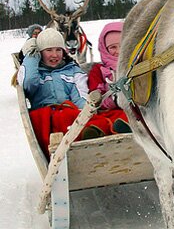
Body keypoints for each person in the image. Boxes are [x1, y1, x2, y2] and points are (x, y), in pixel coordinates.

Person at [17, 28, 128, 158]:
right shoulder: (36, 73)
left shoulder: (72, 70)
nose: (54, 55)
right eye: (48, 50)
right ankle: (91, 131)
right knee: (61, 117)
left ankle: (95, 130)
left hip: (71, 110)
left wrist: (85, 114)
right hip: (47, 113)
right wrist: (31, 56)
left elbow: (80, 95)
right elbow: (28, 81)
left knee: (98, 115)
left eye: (58, 50)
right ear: (40, 53)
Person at [88, 22, 131, 132]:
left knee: (131, 116)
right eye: (112, 47)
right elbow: (96, 95)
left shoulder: (134, 65)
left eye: (122, 46)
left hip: (132, 109)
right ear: (104, 48)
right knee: (103, 121)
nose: (118, 51)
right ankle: (96, 131)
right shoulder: (98, 70)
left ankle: (125, 127)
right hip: (109, 110)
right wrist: (113, 100)